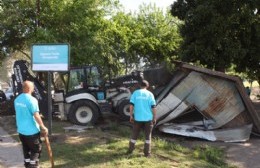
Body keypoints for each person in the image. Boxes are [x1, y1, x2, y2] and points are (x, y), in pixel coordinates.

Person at [14, 80, 48, 168]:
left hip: (21, 131)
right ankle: (33, 166)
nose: (33, 89)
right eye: (32, 87)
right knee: (36, 150)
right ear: (30, 88)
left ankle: (28, 165)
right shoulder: (32, 100)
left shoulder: (17, 99)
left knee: (26, 150)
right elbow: (36, 115)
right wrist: (43, 127)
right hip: (31, 132)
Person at [127, 80, 156, 157]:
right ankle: (147, 154)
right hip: (148, 118)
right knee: (148, 136)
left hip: (137, 118)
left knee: (134, 134)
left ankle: (130, 150)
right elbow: (153, 107)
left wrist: (131, 115)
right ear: (147, 86)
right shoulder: (150, 94)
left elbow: (131, 105)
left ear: (140, 85)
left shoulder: (135, 93)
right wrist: (155, 117)